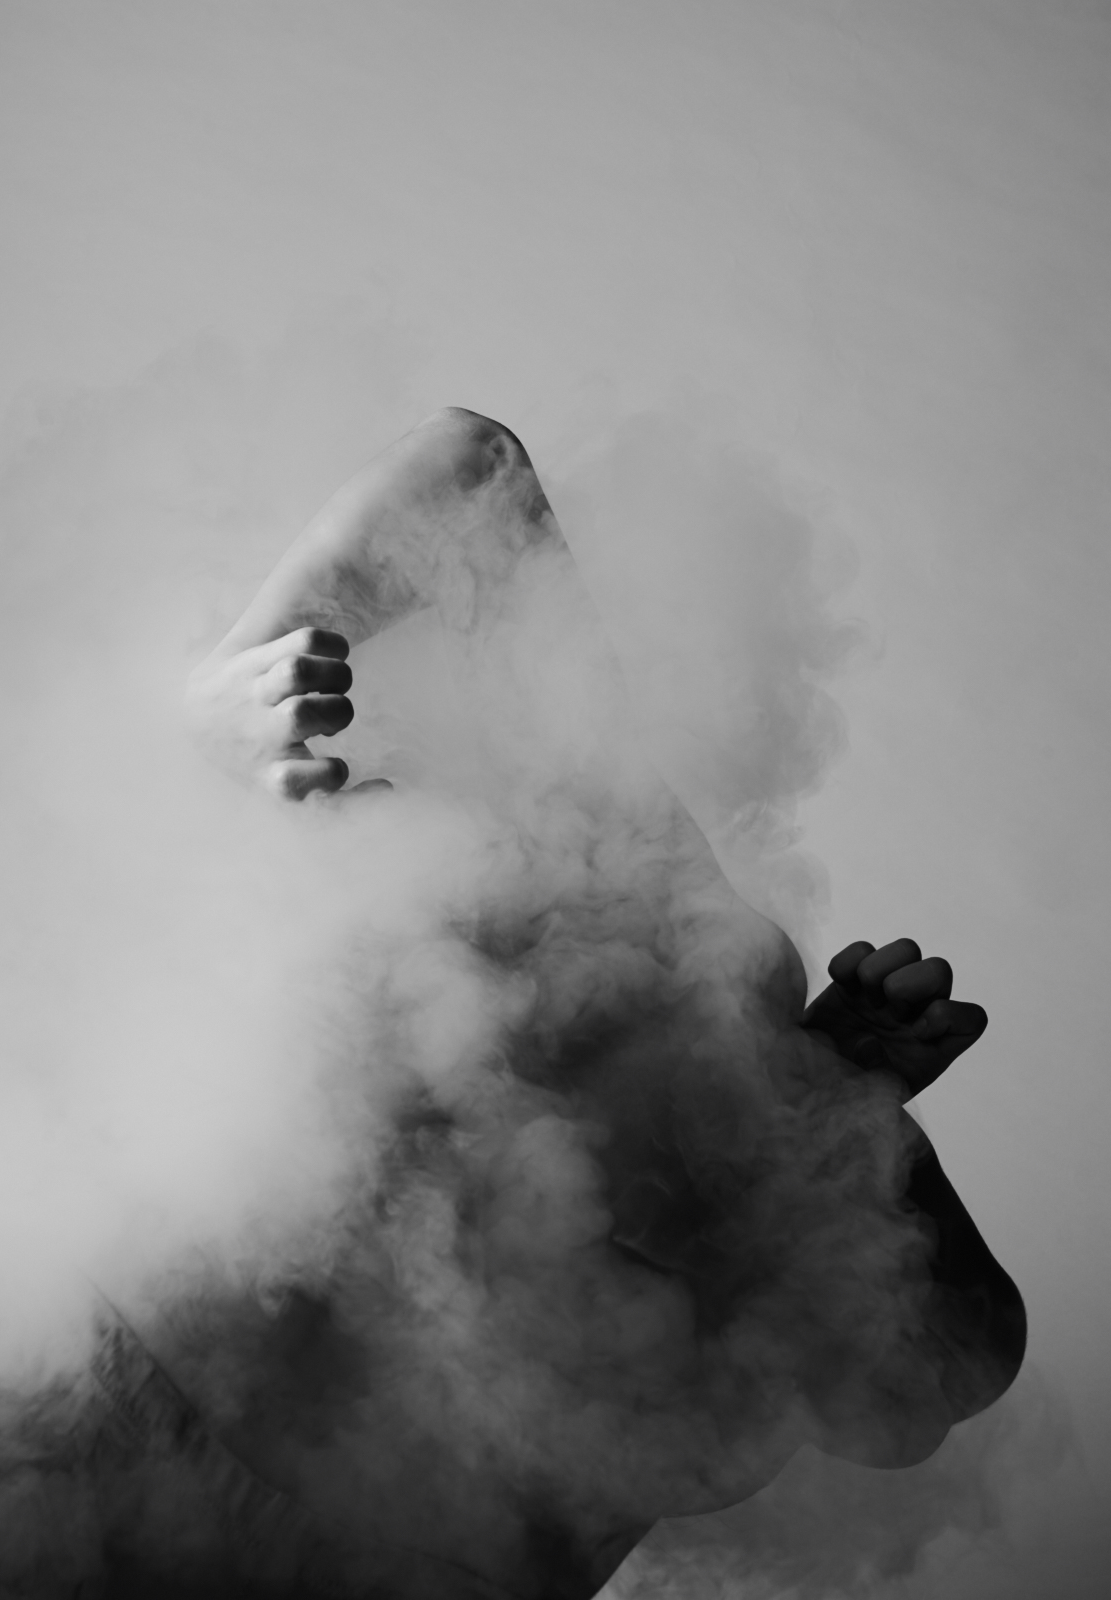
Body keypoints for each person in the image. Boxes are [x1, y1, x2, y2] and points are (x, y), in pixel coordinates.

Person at [149, 406, 1024, 1599]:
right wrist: (211, 702)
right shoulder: (649, 927)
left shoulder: (683, 1418)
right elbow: (473, 466)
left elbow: (932, 1372)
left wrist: (834, 1105)